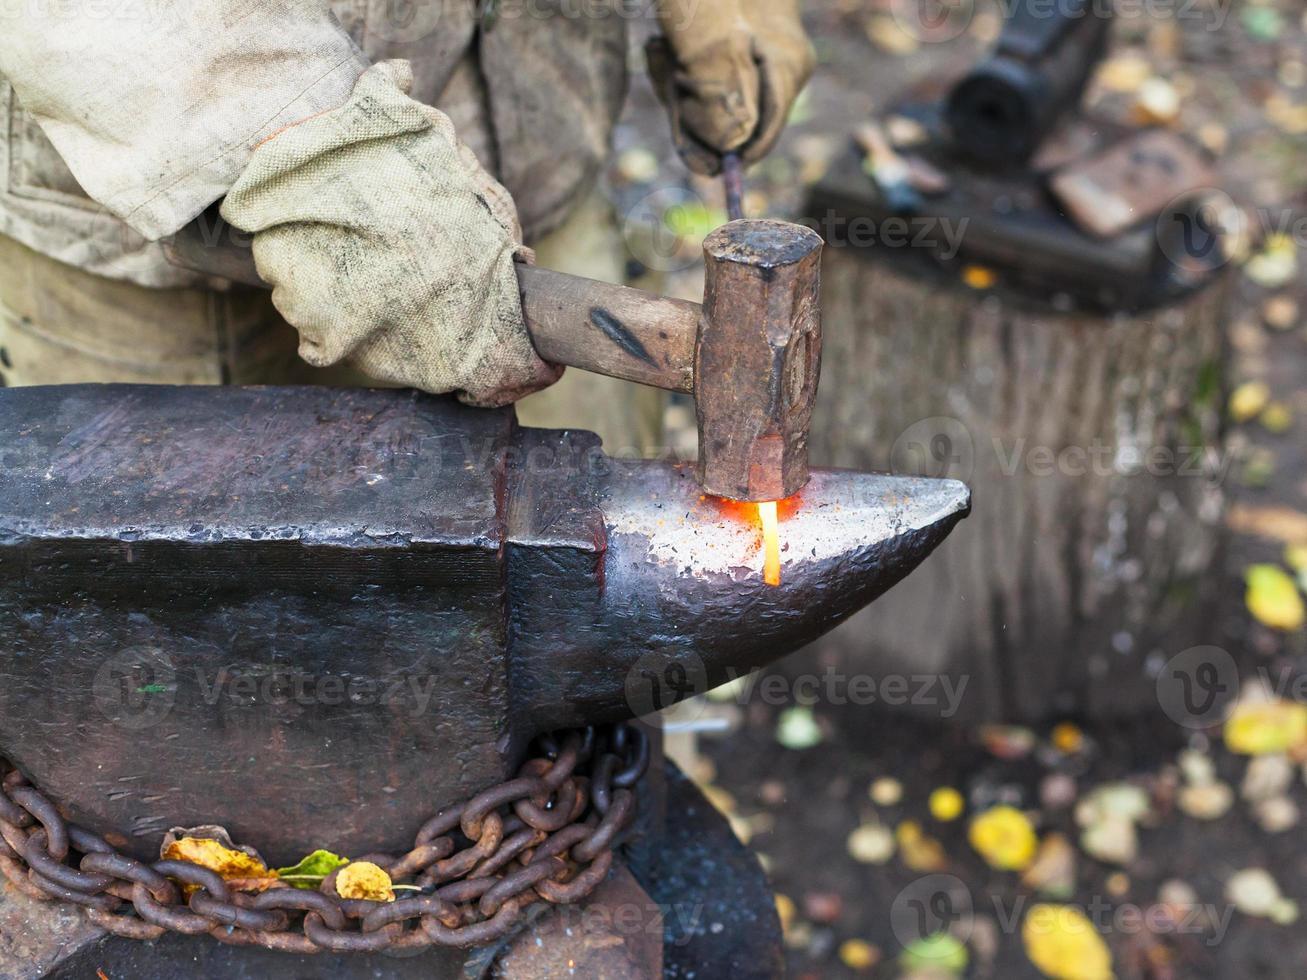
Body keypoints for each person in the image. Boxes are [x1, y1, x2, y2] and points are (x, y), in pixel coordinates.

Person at [0, 0, 813, 454]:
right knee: (220, 675)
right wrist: (302, 145)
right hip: (176, 239)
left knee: (599, 622)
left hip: (542, 169)